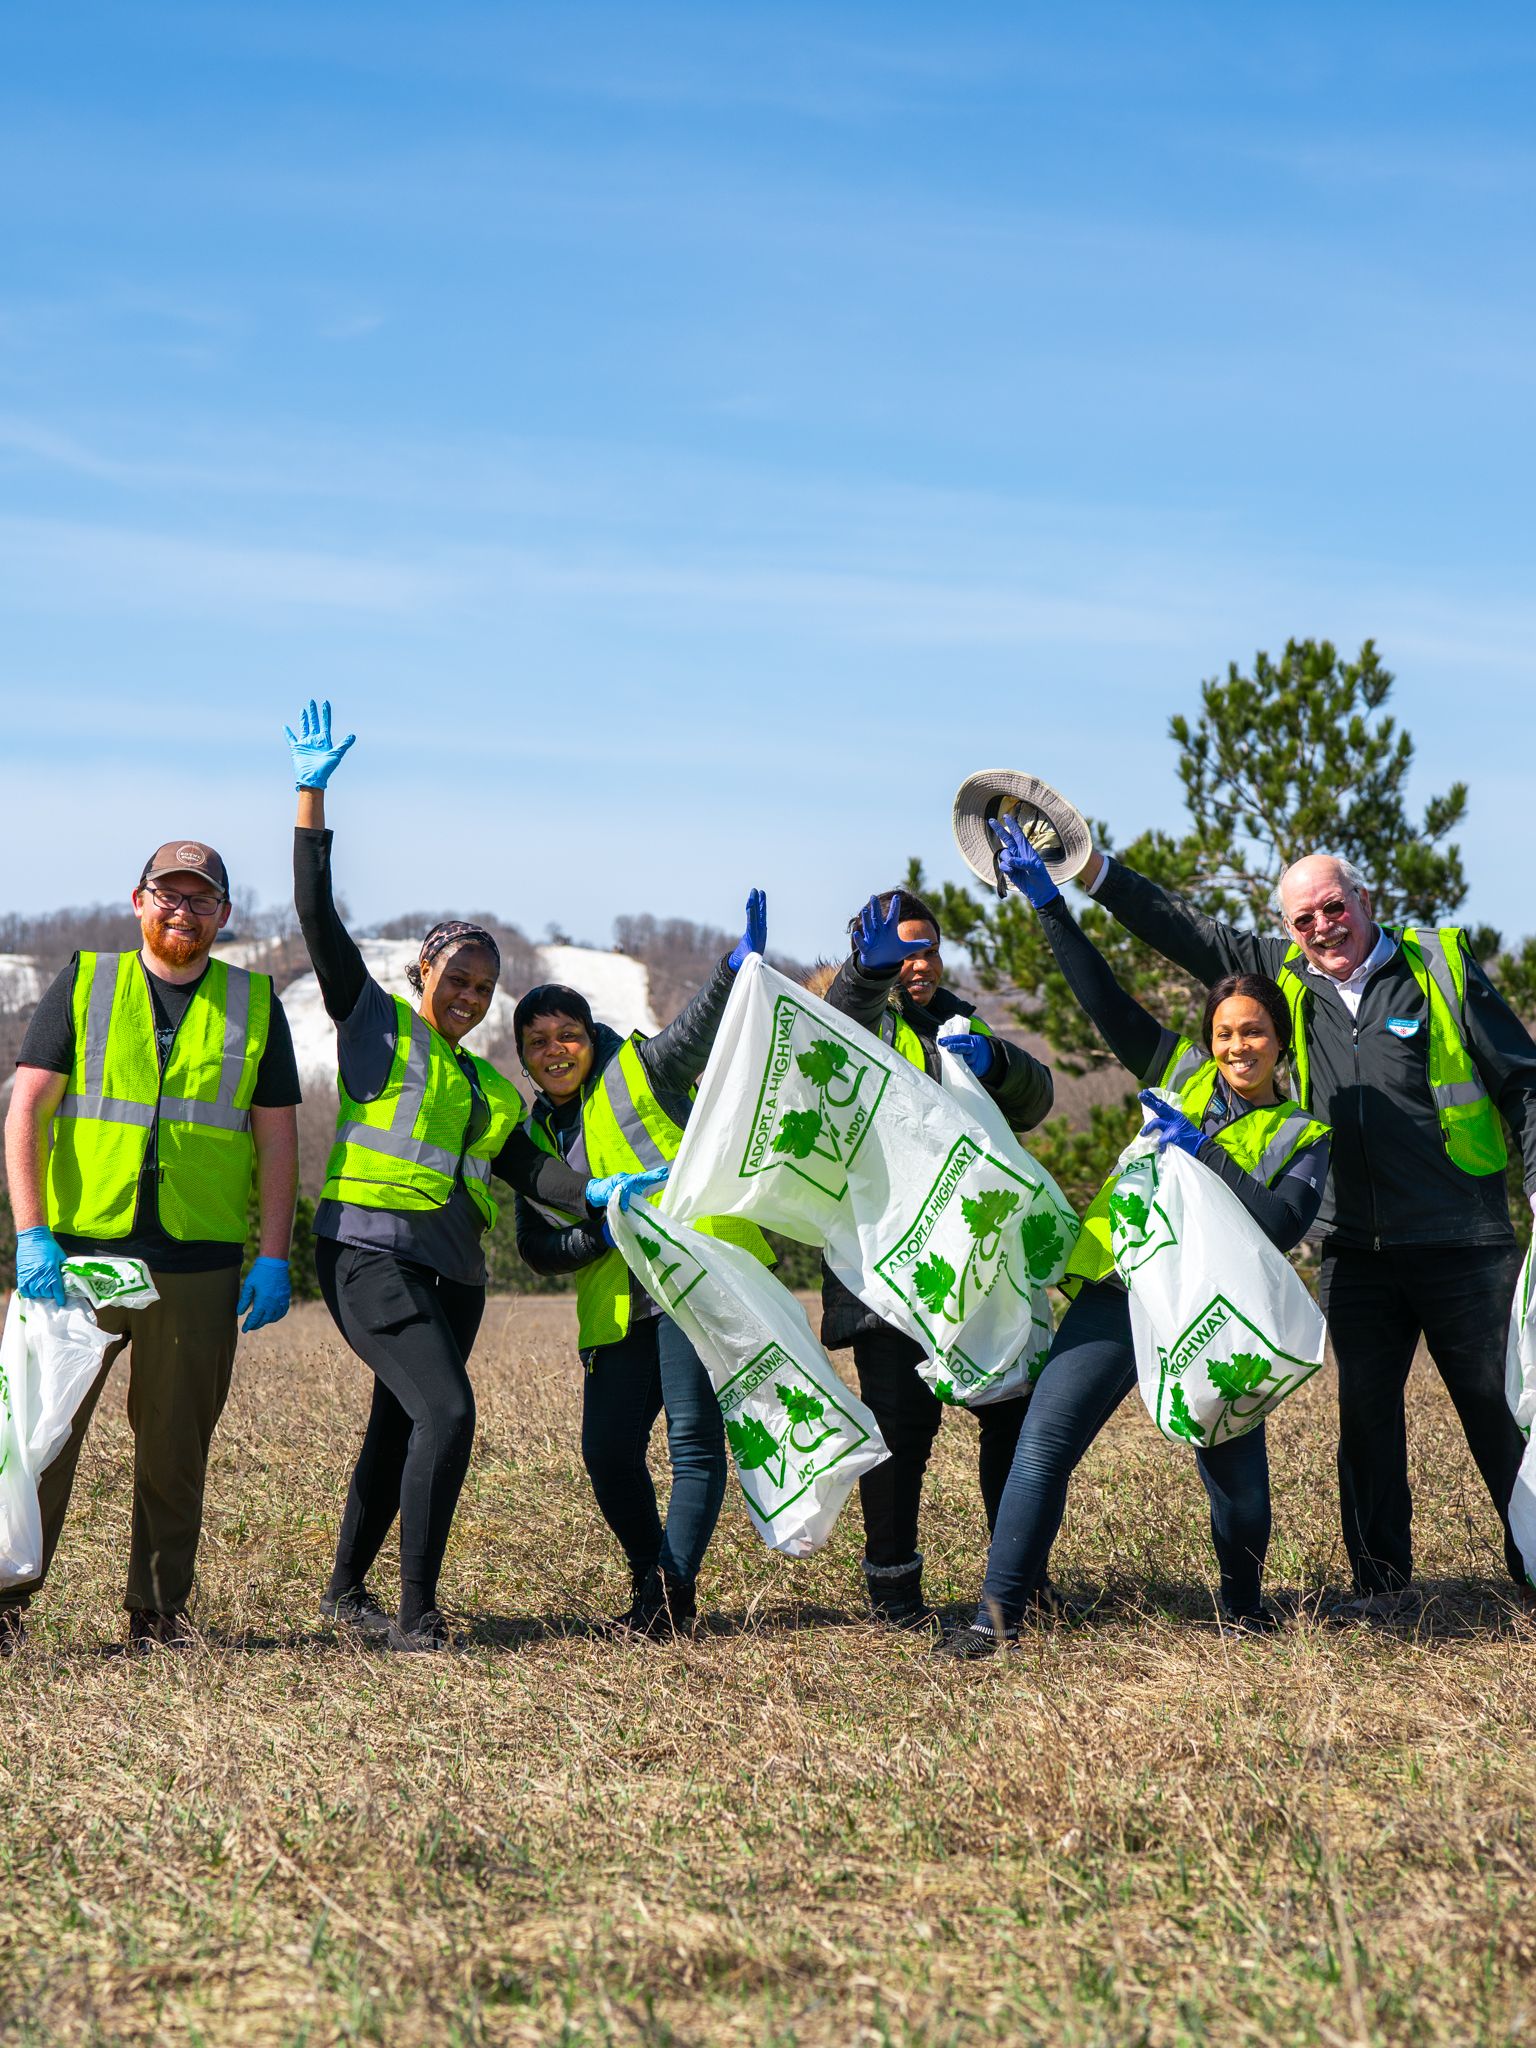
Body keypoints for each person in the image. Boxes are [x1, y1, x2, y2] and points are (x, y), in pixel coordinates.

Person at [1069, 838, 1536, 1619]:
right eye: (1303, 918)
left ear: (1365, 902)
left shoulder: (1438, 967)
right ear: (1287, 929)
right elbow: (1178, 928)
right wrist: (1087, 870)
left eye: (1334, 906)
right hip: (1354, 1247)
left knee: (1501, 1414)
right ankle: (1382, 1589)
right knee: (1367, 1427)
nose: (1322, 926)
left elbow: (1525, 1082)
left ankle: (1531, 1567)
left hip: (1465, 1241)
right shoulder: (1287, 979)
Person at [938, 821, 1331, 1657]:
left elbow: (1280, 1223)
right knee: (1044, 1446)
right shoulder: (1180, 1073)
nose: (1236, 1046)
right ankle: (995, 1616)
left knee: (1241, 1489)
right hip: (1121, 1286)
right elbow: (1103, 997)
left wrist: (1207, 1154)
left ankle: (1242, 1602)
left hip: (1215, 1315)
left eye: (1253, 1032)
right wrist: (1050, 907)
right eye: (1225, 1033)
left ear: (1278, 1044)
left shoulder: (1302, 1134)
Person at [287, 701, 603, 1653]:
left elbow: (536, 1174)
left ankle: (347, 1593)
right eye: (455, 977)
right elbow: (315, 914)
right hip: (368, 1256)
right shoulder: (374, 1020)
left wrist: (611, 1192)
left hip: (453, 1275)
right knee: (448, 1411)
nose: (466, 996)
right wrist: (312, 795)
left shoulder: (490, 1088)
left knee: (402, 1423)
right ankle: (415, 1615)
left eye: (481, 988)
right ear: (423, 968)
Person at [3, 839, 300, 1653]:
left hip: (195, 1263)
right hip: (74, 1260)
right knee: (39, 1437)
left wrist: (273, 1254)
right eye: (167, 894)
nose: (183, 909)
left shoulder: (257, 1003)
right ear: (138, 902)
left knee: (175, 1452)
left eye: (201, 898)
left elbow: (277, 1142)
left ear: (225, 916)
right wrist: (32, 1234)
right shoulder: (86, 982)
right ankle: (5, 1602)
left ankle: (159, 1614)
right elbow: (25, 1111)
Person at [512, 895, 774, 1640]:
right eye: (539, 1042)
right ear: (525, 1054)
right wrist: (602, 1233)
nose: (557, 1049)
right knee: (607, 1453)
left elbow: (696, 1031)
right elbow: (536, 1248)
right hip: (615, 1305)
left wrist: (731, 967)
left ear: (590, 1038)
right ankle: (650, 1575)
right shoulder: (532, 1135)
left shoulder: (642, 1069)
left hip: (692, 1284)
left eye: (569, 1034)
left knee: (694, 1442)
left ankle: (668, 1596)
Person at [817, 886, 1055, 1626]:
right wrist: (864, 975)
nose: (915, 963)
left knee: (1009, 1419)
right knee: (900, 1431)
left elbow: (1036, 1099)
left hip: (976, 1264)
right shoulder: (849, 1019)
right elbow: (842, 1032)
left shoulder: (957, 1020)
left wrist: (995, 1059)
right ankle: (893, 1593)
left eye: (924, 948)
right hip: (883, 1269)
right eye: (897, 949)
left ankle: (1016, 1585)